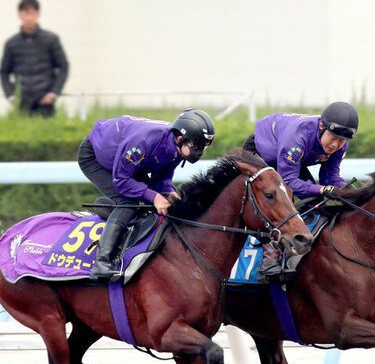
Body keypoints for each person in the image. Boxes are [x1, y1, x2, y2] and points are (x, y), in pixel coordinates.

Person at [78, 110, 215, 281]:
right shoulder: (144, 142)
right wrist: (156, 197)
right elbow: (121, 180)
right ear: (180, 139)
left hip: (126, 162)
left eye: (203, 147)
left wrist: (169, 194)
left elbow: (162, 180)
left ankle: (113, 213)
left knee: (159, 201)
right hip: (96, 158)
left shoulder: (177, 147)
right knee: (127, 201)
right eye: (196, 146)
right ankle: (102, 262)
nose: (200, 151)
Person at [243, 101, 359, 282]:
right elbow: (289, 182)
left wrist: (351, 193)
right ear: (322, 127)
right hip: (263, 153)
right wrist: (324, 189)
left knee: (317, 203)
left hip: (290, 160)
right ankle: (269, 262)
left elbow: (330, 179)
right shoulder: (297, 139)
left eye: (342, 140)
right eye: (333, 137)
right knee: (280, 203)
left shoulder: (341, 146)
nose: (336, 145)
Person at [0, 0, 69, 118]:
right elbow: (3, 72)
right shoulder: (12, 43)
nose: (29, 18)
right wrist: (11, 96)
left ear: (38, 14)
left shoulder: (51, 39)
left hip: (45, 101)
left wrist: (53, 93)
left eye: (32, 13)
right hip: (22, 103)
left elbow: (64, 67)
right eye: (26, 13)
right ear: (20, 15)